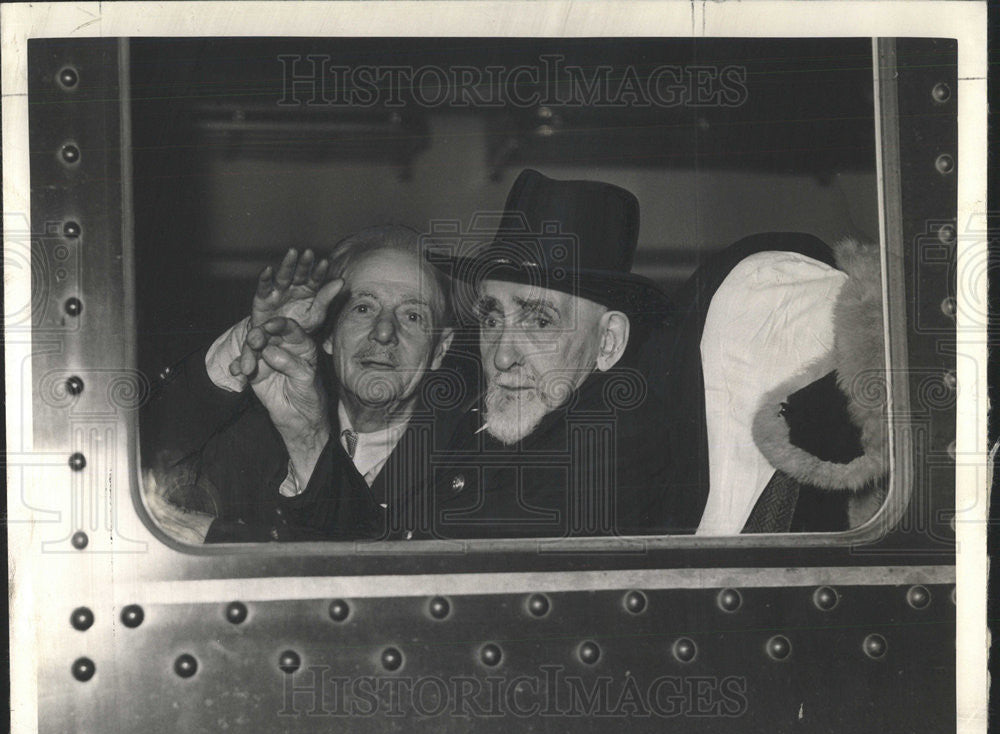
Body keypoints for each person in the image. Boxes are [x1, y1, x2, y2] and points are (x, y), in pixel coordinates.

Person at [145, 225, 462, 542]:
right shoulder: (250, 437)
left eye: (412, 316)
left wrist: (217, 539)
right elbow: (133, 454)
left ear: (440, 350)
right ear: (328, 335)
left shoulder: (469, 465)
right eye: (363, 308)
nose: (383, 332)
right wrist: (251, 340)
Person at [427, 169, 677, 539]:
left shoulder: (617, 441)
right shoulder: (492, 422)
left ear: (608, 341)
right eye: (492, 319)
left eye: (541, 322)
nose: (501, 357)